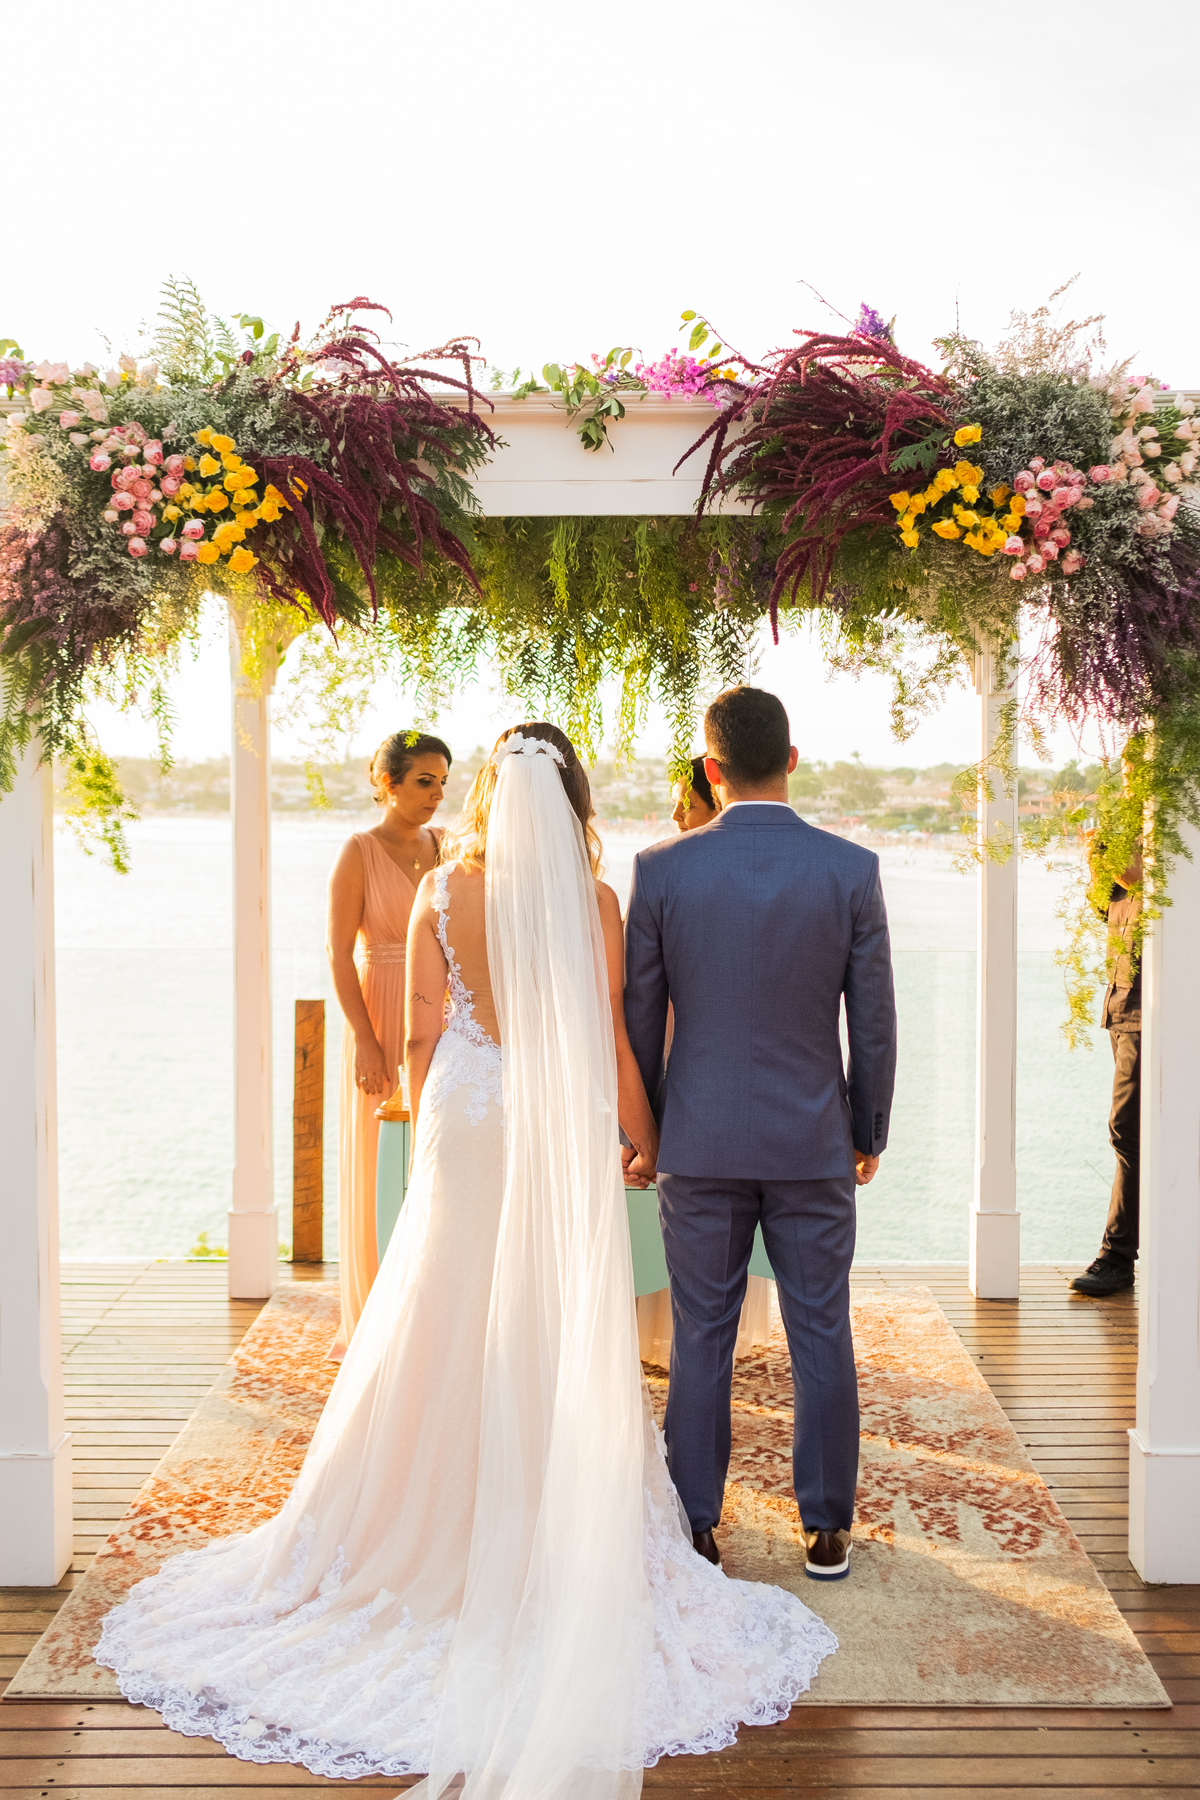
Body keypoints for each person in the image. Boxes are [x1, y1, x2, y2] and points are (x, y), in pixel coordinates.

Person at [97, 719, 836, 1796]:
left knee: (436, 1303)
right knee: (547, 1312)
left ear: (489, 793)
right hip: (553, 1117)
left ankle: (396, 1527)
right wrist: (649, 1139)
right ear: (574, 799)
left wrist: (414, 1106)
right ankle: (545, 1530)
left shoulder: (447, 888)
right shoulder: (594, 903)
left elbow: (428, 1025)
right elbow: (616, 1039)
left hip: (466, 1111)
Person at [624, 686, 897, 1583]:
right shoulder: (850, 870)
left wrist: (649, 1133)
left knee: (703, 1331)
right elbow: (876, 1023)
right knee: (822, 1327)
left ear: (711, 767)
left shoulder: (661, 869)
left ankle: (698, 1525)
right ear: (791, 758)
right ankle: (825, 1530)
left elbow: (640, 1018)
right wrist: (868, 1128)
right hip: (813, 1140)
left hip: (697, 1144)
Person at [637, 755, 774, 1366]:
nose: (675, 815)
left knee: (698, 1267)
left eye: (684, 803)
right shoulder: (824, 869)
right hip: (761, 1102)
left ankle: (692, 1343)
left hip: (690, 1083)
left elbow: (637, 1001)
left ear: (715, 796)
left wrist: (634, 1127)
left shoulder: (660, 871)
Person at [325, 731, 450, 1355]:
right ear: (389, 783)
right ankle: (379, 1318)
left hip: (443, 1020)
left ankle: (430, 1310)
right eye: (424, 781)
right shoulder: (359, 851)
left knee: (436, 1160)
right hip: (380, 1009)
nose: (435, 795)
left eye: (442, 783)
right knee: (383, 1164)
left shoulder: (449, 848)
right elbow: (338, 953)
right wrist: (366, 1042)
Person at [1070, 839, 1143, 1298]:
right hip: (1122, 1007)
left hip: (1149, 1013)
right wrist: (1101, 880)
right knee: (1130, 1133)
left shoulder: (1169, 839)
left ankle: (1118, 1257)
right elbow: (1111, 919)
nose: (1129, 765)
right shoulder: (1130, 836)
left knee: (1127, 1129)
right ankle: (1121, 1254)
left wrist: (1141, 884)